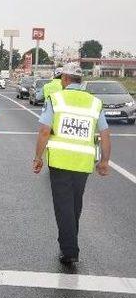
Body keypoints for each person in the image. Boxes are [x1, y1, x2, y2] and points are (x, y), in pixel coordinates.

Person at [32, 62, 111, 264]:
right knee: (75, 205)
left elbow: (44, 131)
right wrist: (104, 161)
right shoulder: (95, 102)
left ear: (65, 79)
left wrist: (38, 157)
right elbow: (105, 134)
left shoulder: (56, 99)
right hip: (83, 163)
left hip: (60, 161)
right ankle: (70, 242)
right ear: (80, 80)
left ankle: (69, 250)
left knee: (63, 206)